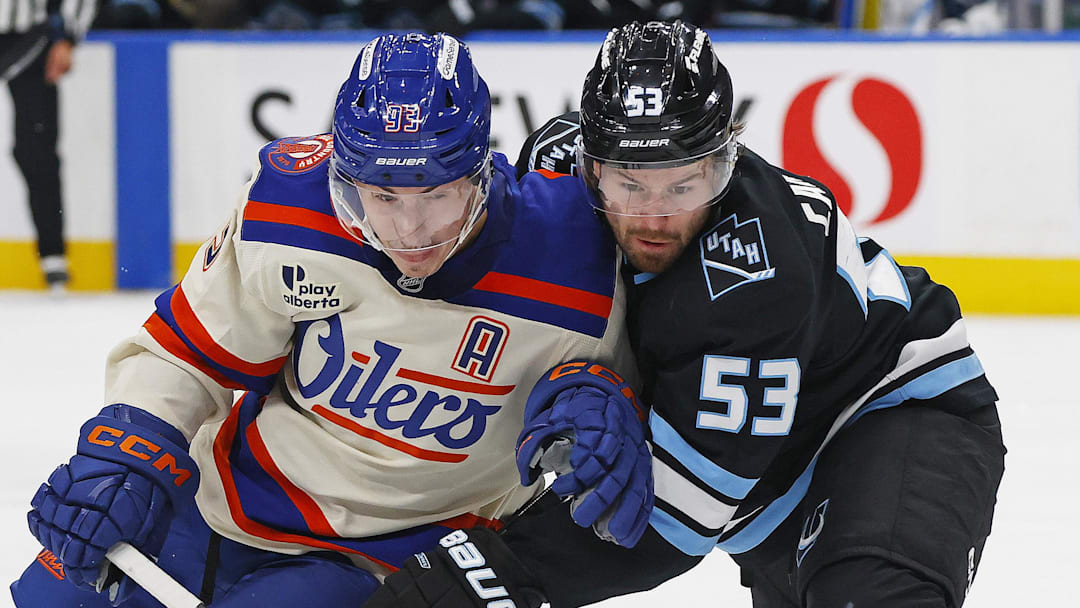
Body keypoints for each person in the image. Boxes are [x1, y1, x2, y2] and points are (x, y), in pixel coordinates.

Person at [365, 20, 1006, 608]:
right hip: (764, 488)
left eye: (683, 184)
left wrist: (488, 574)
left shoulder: (757, 279)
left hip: (894, 417)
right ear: (588, 162)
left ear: (724, 163)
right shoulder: (552, 168)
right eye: (628, 183)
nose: (652, 215)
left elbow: (675, 520)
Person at [10, 32, 646, 607]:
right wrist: (130, 449)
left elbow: (633, 389)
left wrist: (600, 392)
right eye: (383, 196)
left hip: (388, 559)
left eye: (437, 195)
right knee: (49, 599)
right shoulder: (291, 211)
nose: (408, 231)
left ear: (481, 172)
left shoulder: (577, 258)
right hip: (220, 501)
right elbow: (189, 352)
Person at [0, 0, 98, 290]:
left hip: (29, 40)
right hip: (28, 37)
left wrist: (67, 38)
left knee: (36, 153)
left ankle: (53, 255)